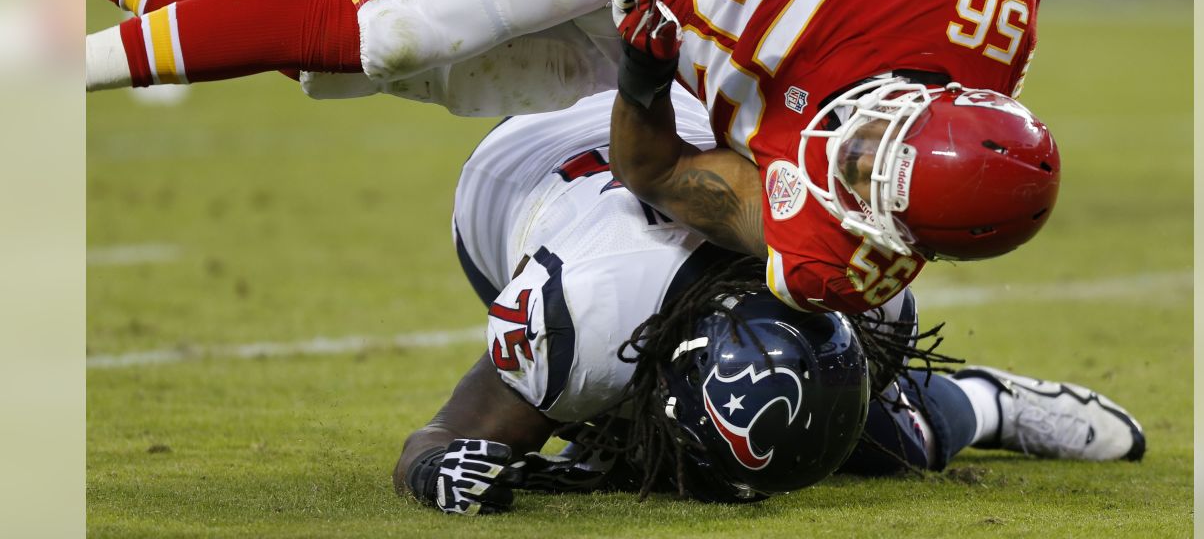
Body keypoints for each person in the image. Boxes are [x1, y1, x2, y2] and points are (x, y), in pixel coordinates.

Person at [83, 0, 1057, 315]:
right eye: (875, 142)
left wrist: (639, 66)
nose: (845, 157)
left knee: (325, 57)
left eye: (858, 182)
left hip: (640, 43)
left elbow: (658, 174)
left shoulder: (832, 253)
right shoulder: (966, 8)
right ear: (931, 96)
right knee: (376, 31)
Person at [396, 89, 1143, 516]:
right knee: (640, 451)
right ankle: (985, 405)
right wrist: (445, 469)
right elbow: (435, 438)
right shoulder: (582, 318)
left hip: (686, 130)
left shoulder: (863, 293)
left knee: (875, 436)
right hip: (518, 173)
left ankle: (988, 403)